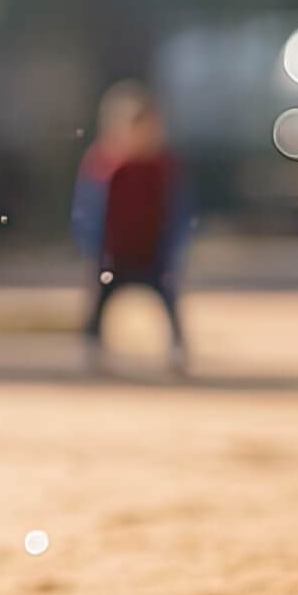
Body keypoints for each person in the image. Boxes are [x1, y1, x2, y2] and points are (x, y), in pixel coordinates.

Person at [71, 80, 193, 374]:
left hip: (152, 255)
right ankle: (92, 348)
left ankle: (177, 349)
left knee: (168, 299)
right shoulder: (103, 165)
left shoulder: (165, 167)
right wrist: (90, 247)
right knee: (99, 300)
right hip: (113, 255)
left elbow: (179, 210)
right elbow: (87, 210)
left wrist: (175, 248)